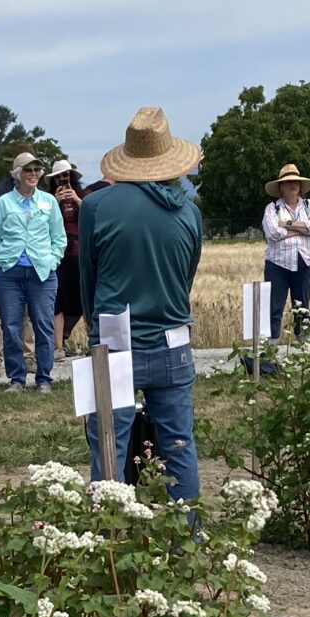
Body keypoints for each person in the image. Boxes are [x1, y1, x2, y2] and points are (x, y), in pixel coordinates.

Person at [79, 108, 204, 497]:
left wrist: (93, 328)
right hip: (173, 342)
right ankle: (190, 537)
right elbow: (186, 278)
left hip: (114, 346)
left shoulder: (96, 207)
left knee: (109, 442)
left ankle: (108, 536)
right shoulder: (189, 213)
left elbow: (88, 280)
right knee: (179, 445)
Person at [0, 149, 65, 390]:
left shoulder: (49, 202)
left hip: (42, 273)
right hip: (8, 273)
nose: (33, 174)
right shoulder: (4, 203)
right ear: (16, 175)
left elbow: (59, 238)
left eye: (36, 170)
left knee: (43, 324)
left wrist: (52, 261)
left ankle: (44, 377)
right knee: (11, 326)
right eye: (27, 170)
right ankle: (17, 378)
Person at [261, 163, 310, 346]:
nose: (292, 185)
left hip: (305, 262)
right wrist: (302, 228)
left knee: (302, 306)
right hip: (278, 264)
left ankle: (302, 345)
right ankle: (271, 347)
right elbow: (272, 232)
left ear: (301, 185)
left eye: (295, 181)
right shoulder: (272, 208)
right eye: (288, 182)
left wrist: (286, 225)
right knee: (274, 307)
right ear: (281, 187)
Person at [49, 158, 87, 352]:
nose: (63, 180)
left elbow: (91, 215)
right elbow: (43, 219)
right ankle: (58, 346)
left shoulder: (82, 195)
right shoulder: (48, 199)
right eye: (58, 177)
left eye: (66, 175)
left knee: (81, 299)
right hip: (59, 253)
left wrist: (77, 200)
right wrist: (54, 201)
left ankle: (66, 335)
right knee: (59, 299)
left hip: (78, 252)